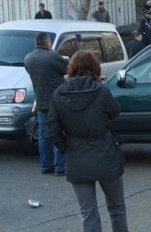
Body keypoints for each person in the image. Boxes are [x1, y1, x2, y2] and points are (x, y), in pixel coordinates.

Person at [46, 50, 128, 232]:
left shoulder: (59, 94)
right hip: (106, 155)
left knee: (88, 213)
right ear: (95, 67)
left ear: (71, 69)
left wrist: (66, 148)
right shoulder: (102, 90)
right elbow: (114, 112)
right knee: (117, 208)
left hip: (77, 156)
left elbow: (51, 131)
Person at [24, 32, 68, 175]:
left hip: (41, 102)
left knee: (44, 134)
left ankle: (45, 165)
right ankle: (60, 166)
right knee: (59, 133)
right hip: (57, 101)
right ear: (48, 43)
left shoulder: (28, 58)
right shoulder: (52, 56)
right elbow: (67, 68)